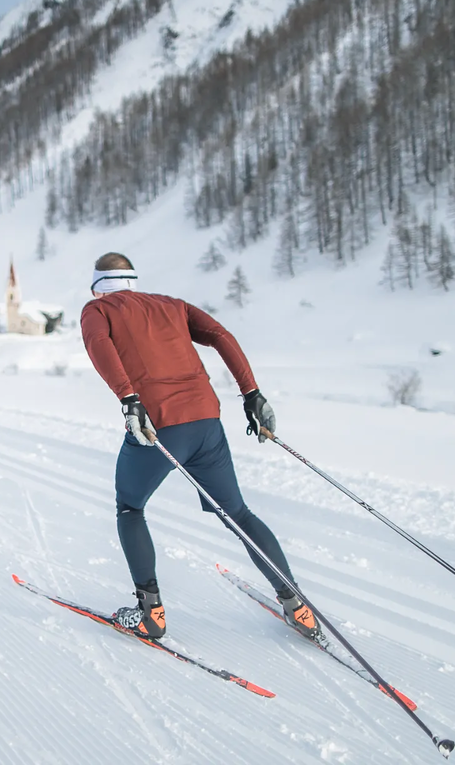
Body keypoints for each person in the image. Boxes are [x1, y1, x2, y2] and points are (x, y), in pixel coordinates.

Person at [80, 252, 319, 640]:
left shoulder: (98, 309)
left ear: (97, 285)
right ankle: (296, 604)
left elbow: (97, 345)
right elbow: (221, 335)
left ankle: (149, 614)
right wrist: (252, 393)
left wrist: (129, 400)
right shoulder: (171, 305)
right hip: (206, 420)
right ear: (133, 280)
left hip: (157, 425)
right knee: (238, 514)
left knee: (130, 506)